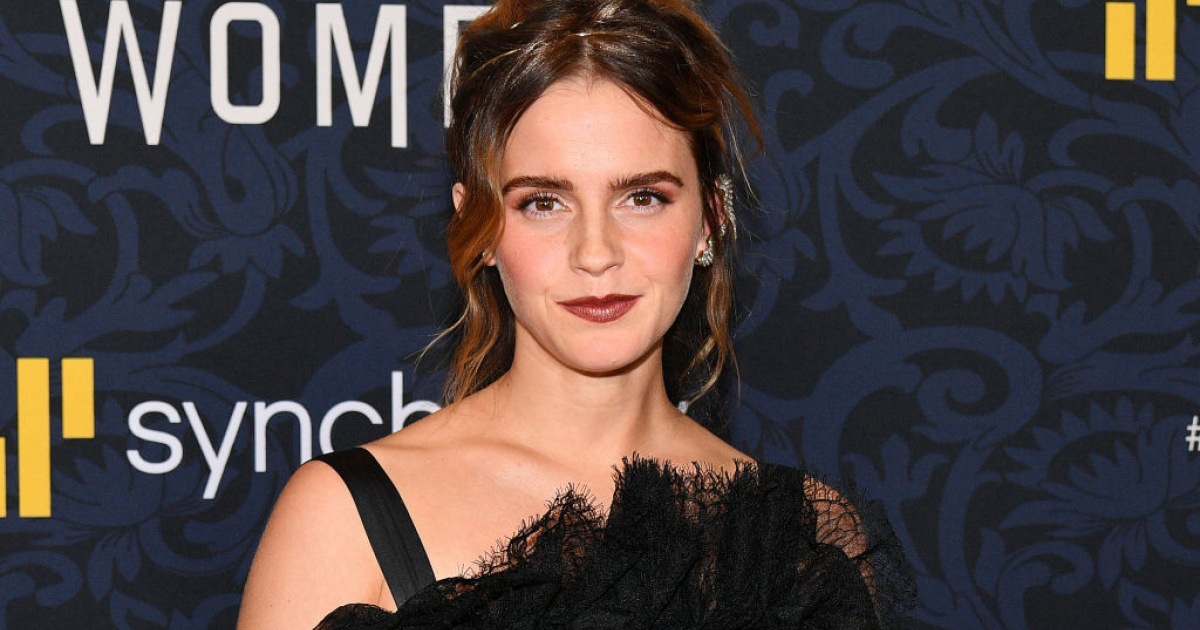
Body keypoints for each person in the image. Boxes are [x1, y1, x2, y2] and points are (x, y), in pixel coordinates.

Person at [237, 1, 913, 628]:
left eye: (642, 198)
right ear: (481, 227)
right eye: (543, 202)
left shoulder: (805, 537)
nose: (596, 254)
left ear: (710, 218)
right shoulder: (344, 516)